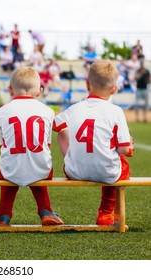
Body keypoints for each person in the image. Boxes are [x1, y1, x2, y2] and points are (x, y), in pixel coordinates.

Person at [53, 59, 134, 226]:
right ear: (114, 90)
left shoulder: (75, 108)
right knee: (122, 163)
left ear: (87, 84)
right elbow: (124, 149)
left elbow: (55, 125)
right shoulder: (116, 111)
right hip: (106, 173)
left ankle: (74, 159)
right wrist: (129, 145)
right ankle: (105, 213)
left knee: (62, 132)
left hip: (74, 171)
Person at [0, 67, 63, 226]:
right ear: (39, 91)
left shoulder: (2, 112)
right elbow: (47, 144)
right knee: (37, 162)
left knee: (9, 162)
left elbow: (2, 144)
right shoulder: (47, 111)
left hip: (11, 168)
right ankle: (46, 210)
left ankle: (3, 214)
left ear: (10, 90)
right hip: (41, 168)